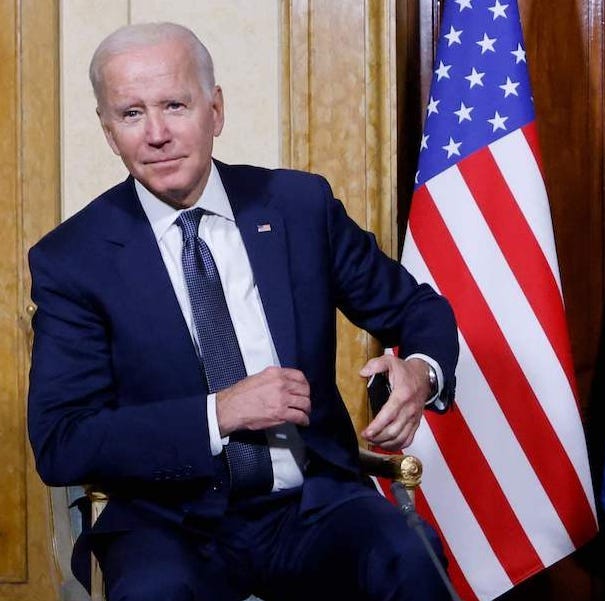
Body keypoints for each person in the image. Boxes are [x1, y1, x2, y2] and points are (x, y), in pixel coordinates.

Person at [26, 22, 457, 601]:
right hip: (168, 521)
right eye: (131, 114)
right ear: (108, 132)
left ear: (215, 110)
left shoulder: (299, 208)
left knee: (410, 557)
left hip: (311, 505)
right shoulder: (74, 260)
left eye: (174, 105)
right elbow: (64, 441)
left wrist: (420, 370)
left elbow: (417, 308)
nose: (156, 134)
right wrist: (218, 413)